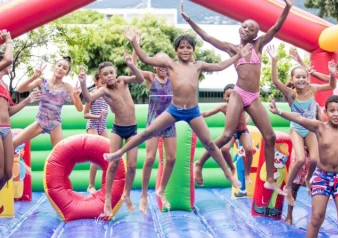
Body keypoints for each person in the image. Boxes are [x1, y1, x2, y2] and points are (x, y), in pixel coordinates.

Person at [103, 28, 252, 214]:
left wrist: (239, 55)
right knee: (146, 133)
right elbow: (146, 59)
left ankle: (229, 175)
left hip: (192, 111)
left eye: (188, 47)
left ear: (193, 50)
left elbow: (220, 66)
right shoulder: (170, 64)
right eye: (181, 47)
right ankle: (119, 153)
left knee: (210, 144)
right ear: (176, 51)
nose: (185, 50)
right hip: (173, 110)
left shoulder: (198, 65)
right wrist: (134, 42)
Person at [180, 0, 294, 194]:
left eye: (251, 29)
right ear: (239, 29)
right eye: (243, 26)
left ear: (255, 34)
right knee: (225, 135)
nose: (246, 30)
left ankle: (269, 180)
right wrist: (190, 20)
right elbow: (207, 37)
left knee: (270, 136)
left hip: (254, 96)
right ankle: (199, 163)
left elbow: (276, 27)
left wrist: (287, 8)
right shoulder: (233, 49)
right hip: (239, 94)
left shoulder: (258, 45)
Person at [269, 95, 338, 238]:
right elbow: (299, 118)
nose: (336, 114)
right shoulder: (320, 127)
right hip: (322, 177)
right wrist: (279, 112)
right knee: (316, 218)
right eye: (332, 110)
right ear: (325, 112)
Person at [266, 44, 336, 206]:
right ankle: (289, 187)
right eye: (297, 77)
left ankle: (308, 178)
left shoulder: (313, 89)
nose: (301, 80)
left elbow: (332, 86)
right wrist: (274, 60)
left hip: (311, 129)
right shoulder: (291, 94)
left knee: (315, 160)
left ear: (308, 79)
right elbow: (275, 81)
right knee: (300, 159)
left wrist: (332, 74)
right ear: (292, 80)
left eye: (304, 77)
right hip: (297, 129)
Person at [78, 53, 145, 215]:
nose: (109, 76)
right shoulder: (103, 91)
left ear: (115, 73)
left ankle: (126, 195)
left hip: (132, 129)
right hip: (117, 130)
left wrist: (131, 64)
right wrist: (82, 83)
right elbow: (87, 97)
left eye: (111, 73)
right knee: (113, 164)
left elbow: (140, 78)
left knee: (132, 165)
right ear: (101, 77)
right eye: (105, 74)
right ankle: (107, 198)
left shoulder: (122, 80)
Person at [130, 32, 177, 214]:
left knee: (172, 158)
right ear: (155, 65)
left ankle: (161, 189)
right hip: (153, 122)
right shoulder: (151, 77)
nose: (163, 67)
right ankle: (143, 195)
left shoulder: (174, 79)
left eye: (166, 63)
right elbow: (132, 68)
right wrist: (136, 46)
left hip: (169, 122)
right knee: (150, 158)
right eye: (159, 63)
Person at [0, 30, 41, 190]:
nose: (8, 64)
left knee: (8, 173)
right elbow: (9, 59)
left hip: (6, 128)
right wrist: (9, 40)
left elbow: (8, 112)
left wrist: (27, 101)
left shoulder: (3, 85)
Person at [14, 57, 83, 148]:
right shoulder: (42, 82)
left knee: (60, 152)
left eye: (64, 68)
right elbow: (20, 89)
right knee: (13, 143)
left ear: (66, 73)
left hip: (54, 124)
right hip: (40, 121)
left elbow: (79, 109)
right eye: (59, 65)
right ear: (54, 67)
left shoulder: (67, 87)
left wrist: (76, 97)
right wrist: (34, 77)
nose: (61, 68)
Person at [199, 83, 253, 185]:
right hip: (231, 133)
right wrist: (194, 114)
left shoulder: (243, 105)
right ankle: (232, 168)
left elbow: (252, 111)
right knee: (224, 149)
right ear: (224, 96)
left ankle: (247, 174)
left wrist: (248, 118)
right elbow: (206, 114)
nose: (230, 98)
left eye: (233, 95)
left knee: (249, 149)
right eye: (228, 96)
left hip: (242, 132)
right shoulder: (223, 107)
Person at [289, 48, 338, 124]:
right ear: (337, 70)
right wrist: (300, 60)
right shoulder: (334, 81)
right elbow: (313, 72)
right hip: (336, 116)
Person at [285, 103, 323, 225]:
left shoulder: (316, 111)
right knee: (295, 186)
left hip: (313, 155)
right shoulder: (299, 112)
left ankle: (315, 216)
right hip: (300, 153)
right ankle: (289, 214)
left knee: (317, 188)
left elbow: (323, 128)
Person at [84, 71, 109, 194]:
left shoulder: (107, 95)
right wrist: (97, 116)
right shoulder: (91, 95)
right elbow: (85, 114)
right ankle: (91, 185)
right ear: (96, 81)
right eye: (102, 82)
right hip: (93, 125)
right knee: (95, 154)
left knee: (110, 152)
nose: (105, 85)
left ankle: (106, 184)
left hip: (102, 126)